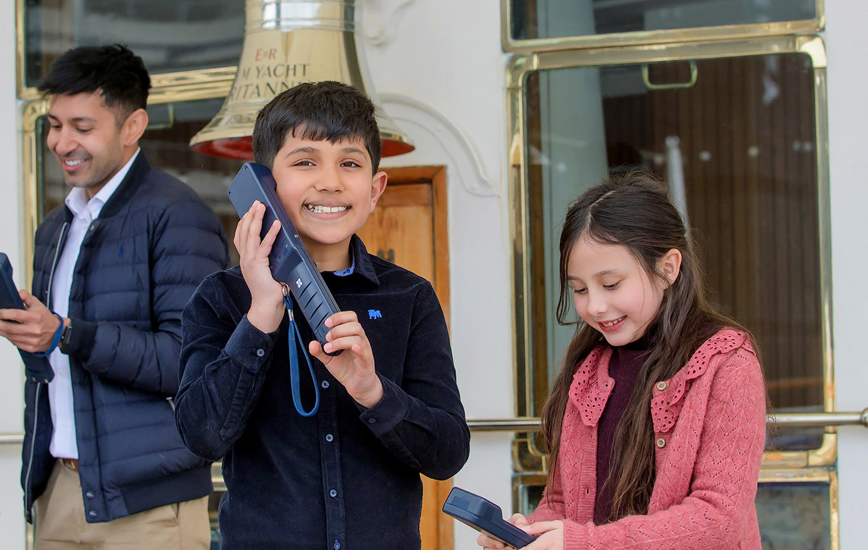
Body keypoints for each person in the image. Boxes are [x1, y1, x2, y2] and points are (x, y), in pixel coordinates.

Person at [174, 81, 471, 550]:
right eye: (305, 161)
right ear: (264, 186)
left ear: (375, 190)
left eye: (349, 163)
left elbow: (448, 453)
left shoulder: (410, 297)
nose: (330, 181)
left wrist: (373, 392)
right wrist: (262, 314)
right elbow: (202, 435)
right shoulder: (221, 297)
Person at [0, 44, 227, 549]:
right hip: (59, 491)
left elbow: (188, 362)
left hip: (149, 505)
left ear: (133, 126)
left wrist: (66, 333)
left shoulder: (178, 215)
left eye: (82, 126)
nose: (62, 142)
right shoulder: (55, 227)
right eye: (54, 125)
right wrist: (36, 336)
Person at [478, 173, 766, 550]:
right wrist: (529, 532)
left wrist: (583, 543)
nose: (595, 306)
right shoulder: (587, 367)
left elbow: (718, 517)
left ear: (668, 268)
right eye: (580, 289)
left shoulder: (727, 361)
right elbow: (562, 503)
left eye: (611, 284)